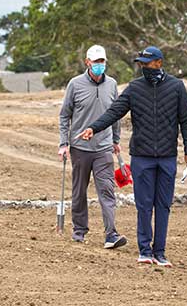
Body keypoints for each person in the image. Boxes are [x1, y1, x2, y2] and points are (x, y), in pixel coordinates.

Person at [78, 46, 187, 268]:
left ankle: (160, 252)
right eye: (140, 64)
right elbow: (114, 112)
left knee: (163, 205)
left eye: (146, 63)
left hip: (167, 156)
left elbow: (186, 120)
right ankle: (144, 250)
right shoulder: (135, 88)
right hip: (141, 156)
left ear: (159, 63)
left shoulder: (177, 87)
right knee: (143, 204)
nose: (142, 67)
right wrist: (94, 127)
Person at [58, 44, 127, 249]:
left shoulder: (112, 84)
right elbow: (65, 115)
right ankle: (79, 230)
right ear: (87, 62)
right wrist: (64, 143)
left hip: (103, 147)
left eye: (102, 62)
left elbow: (116, 114)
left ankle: (111, 234)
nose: (99, 65)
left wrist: (115, 140)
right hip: (80, 147)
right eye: (96, 62)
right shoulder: (75, 84)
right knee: (79, 190)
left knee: (107, 190)